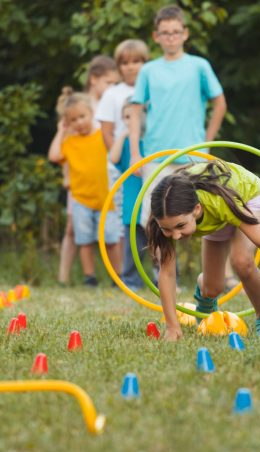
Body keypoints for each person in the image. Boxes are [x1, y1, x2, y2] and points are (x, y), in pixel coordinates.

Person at [146, 160, 260, 341]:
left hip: (247, 197)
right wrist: (172, 327)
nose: (175, 236)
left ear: (197, 210)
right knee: (212, 288)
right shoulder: (164, 216)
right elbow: (167, 274)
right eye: (167, 229)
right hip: (216, 216)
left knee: (242, 261)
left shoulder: (219, 202)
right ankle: (204, 299)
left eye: (180, 226)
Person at [128, 4, 227, 228]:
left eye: (175, 32)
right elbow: (135, 111)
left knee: (205, 215)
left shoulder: (199, 66)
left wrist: (207, 142)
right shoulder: (148, 70)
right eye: (165, 33)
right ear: (156, 36)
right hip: (156, 155)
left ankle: (215, 263)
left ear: (185, 33)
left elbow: (220, 103)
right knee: (153, 219)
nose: (171, 38)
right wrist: (135, 153)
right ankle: (164, 265)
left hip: (194, 155)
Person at [56, 55, 119, 286]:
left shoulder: (110, 105)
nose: (113, 88)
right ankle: (68, 277)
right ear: (94, 80)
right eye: (109, 83)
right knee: (75, 229)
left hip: (104, 183)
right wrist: (66, 177)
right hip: (80, 183)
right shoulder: (79, 107)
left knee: (111, 232)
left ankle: (118, 276)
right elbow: (65, 152)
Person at [96, 40, 149, 280]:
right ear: (118, 67)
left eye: (136, 62)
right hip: (122, 164)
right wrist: (121, 161)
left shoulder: (150, 89)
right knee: (125, 220)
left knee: (150, 216)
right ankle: (126, 275)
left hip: (149, 161)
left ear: (145, 63)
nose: (130, 67)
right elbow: (107, 132)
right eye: (125, 63)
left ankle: (160, 272)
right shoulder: (112, 93)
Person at [109, 99, 146, 290]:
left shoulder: (150, 142)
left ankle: (166, 279)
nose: (130, 121)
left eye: (134, 116)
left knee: (161, 244)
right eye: (126, 117)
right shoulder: (125, 145)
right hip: (132, 204)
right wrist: (124, 135)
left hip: (151, 204)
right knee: (133, 247)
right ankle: (131, 281)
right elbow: (113, 158)